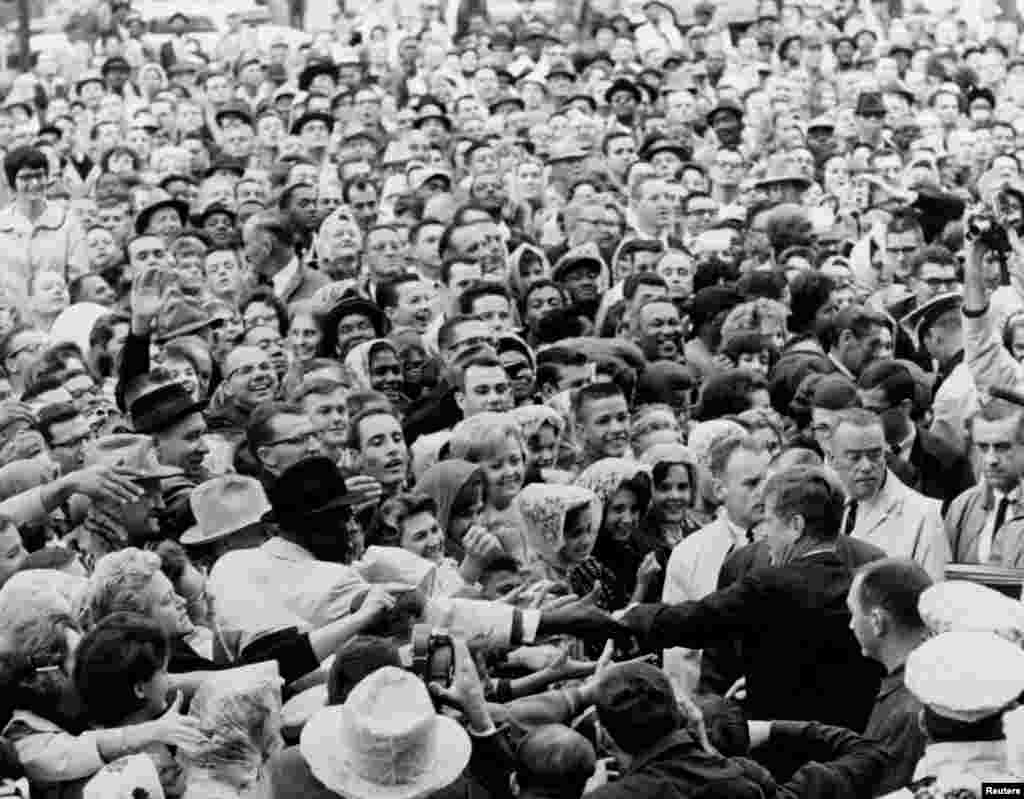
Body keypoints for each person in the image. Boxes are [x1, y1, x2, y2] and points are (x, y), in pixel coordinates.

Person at [623, 467, 885, 736]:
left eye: (770, 521)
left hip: (783, 743)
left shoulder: (769, 585)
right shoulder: (863, 586)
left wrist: (630, 617)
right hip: (850, 742)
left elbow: (695, 621)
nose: (765, 534)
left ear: (796, 526)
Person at [827, 409, 950, 580]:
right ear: (832, 459)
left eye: (875, 455)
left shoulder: (924, 515)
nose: (866, 466)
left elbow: (935, 590)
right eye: (854, 457)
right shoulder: (824, 506)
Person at [847, 557, 932, 795]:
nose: (851, 624)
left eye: (853, 613)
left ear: (877, 622)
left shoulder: (906, 709)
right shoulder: (930, 679)